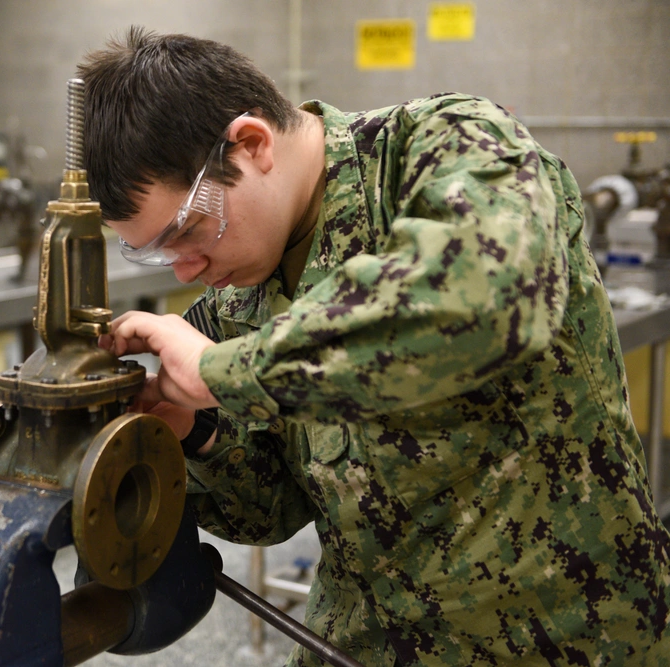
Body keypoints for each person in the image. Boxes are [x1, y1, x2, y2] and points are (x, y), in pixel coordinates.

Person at [81, 27, 670, 667]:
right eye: (157, 251)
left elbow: (482, 300)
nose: (185, 270)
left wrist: (225, 371)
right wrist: (197, 432)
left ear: (251, 145)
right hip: (362, 645)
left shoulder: (448, 145)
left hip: (565, 639)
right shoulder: (234, 305)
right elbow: (274, 510)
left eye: (189, 230)